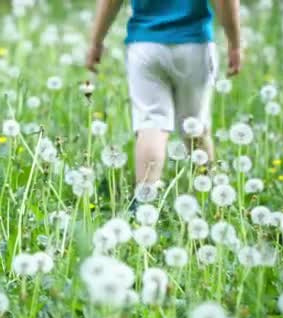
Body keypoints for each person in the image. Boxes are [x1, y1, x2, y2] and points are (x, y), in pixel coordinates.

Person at [86, 0, 241, 197]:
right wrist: (234, 43)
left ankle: (145, 201)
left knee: (151, 123)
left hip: (145, 45)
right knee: (195, 126)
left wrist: (96, 41)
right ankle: (211, 197)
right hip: (194, 43)